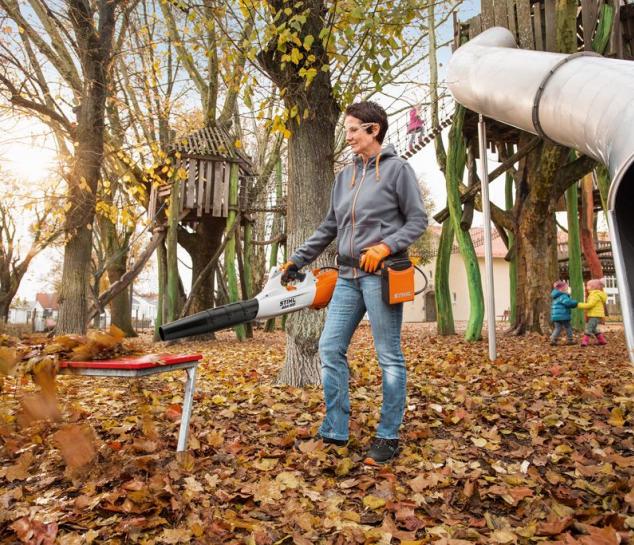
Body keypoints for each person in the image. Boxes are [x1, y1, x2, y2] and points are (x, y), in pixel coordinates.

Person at [281, 101, 427, 464]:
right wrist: (300, 258)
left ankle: (389, 434)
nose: (347, 137)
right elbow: (330, 226)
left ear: (373, 130)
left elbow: (417, 220)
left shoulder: (398, 171)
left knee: (388, 356)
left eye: (352, 130)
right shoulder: (344, 177)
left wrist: (385, 245)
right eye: (346, 130)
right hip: (346, 277)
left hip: (382, 276)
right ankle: (335, 429)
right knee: (330, 349)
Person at [577, 278, 608, 346]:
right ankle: (602, 340)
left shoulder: (595, 295)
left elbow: (590, 305)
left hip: (595, 315)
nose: (586, 287)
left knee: (589, 328)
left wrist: (578, 305)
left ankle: (585, 341)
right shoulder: (594, 294)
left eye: (588, 285)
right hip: (595, 314)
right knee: (594, 328)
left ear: (593, 287)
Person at [549, 280, 577, 345]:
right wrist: (575, 303)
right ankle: (570, 340)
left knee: (557, 328)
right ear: (562, 289)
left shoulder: (555, 296)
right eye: (566, 288)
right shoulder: (563, 296)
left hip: (555, 316)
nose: (567, 290)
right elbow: (567, 303)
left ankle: (553, 339)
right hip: (563, 315)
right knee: (568, 327)